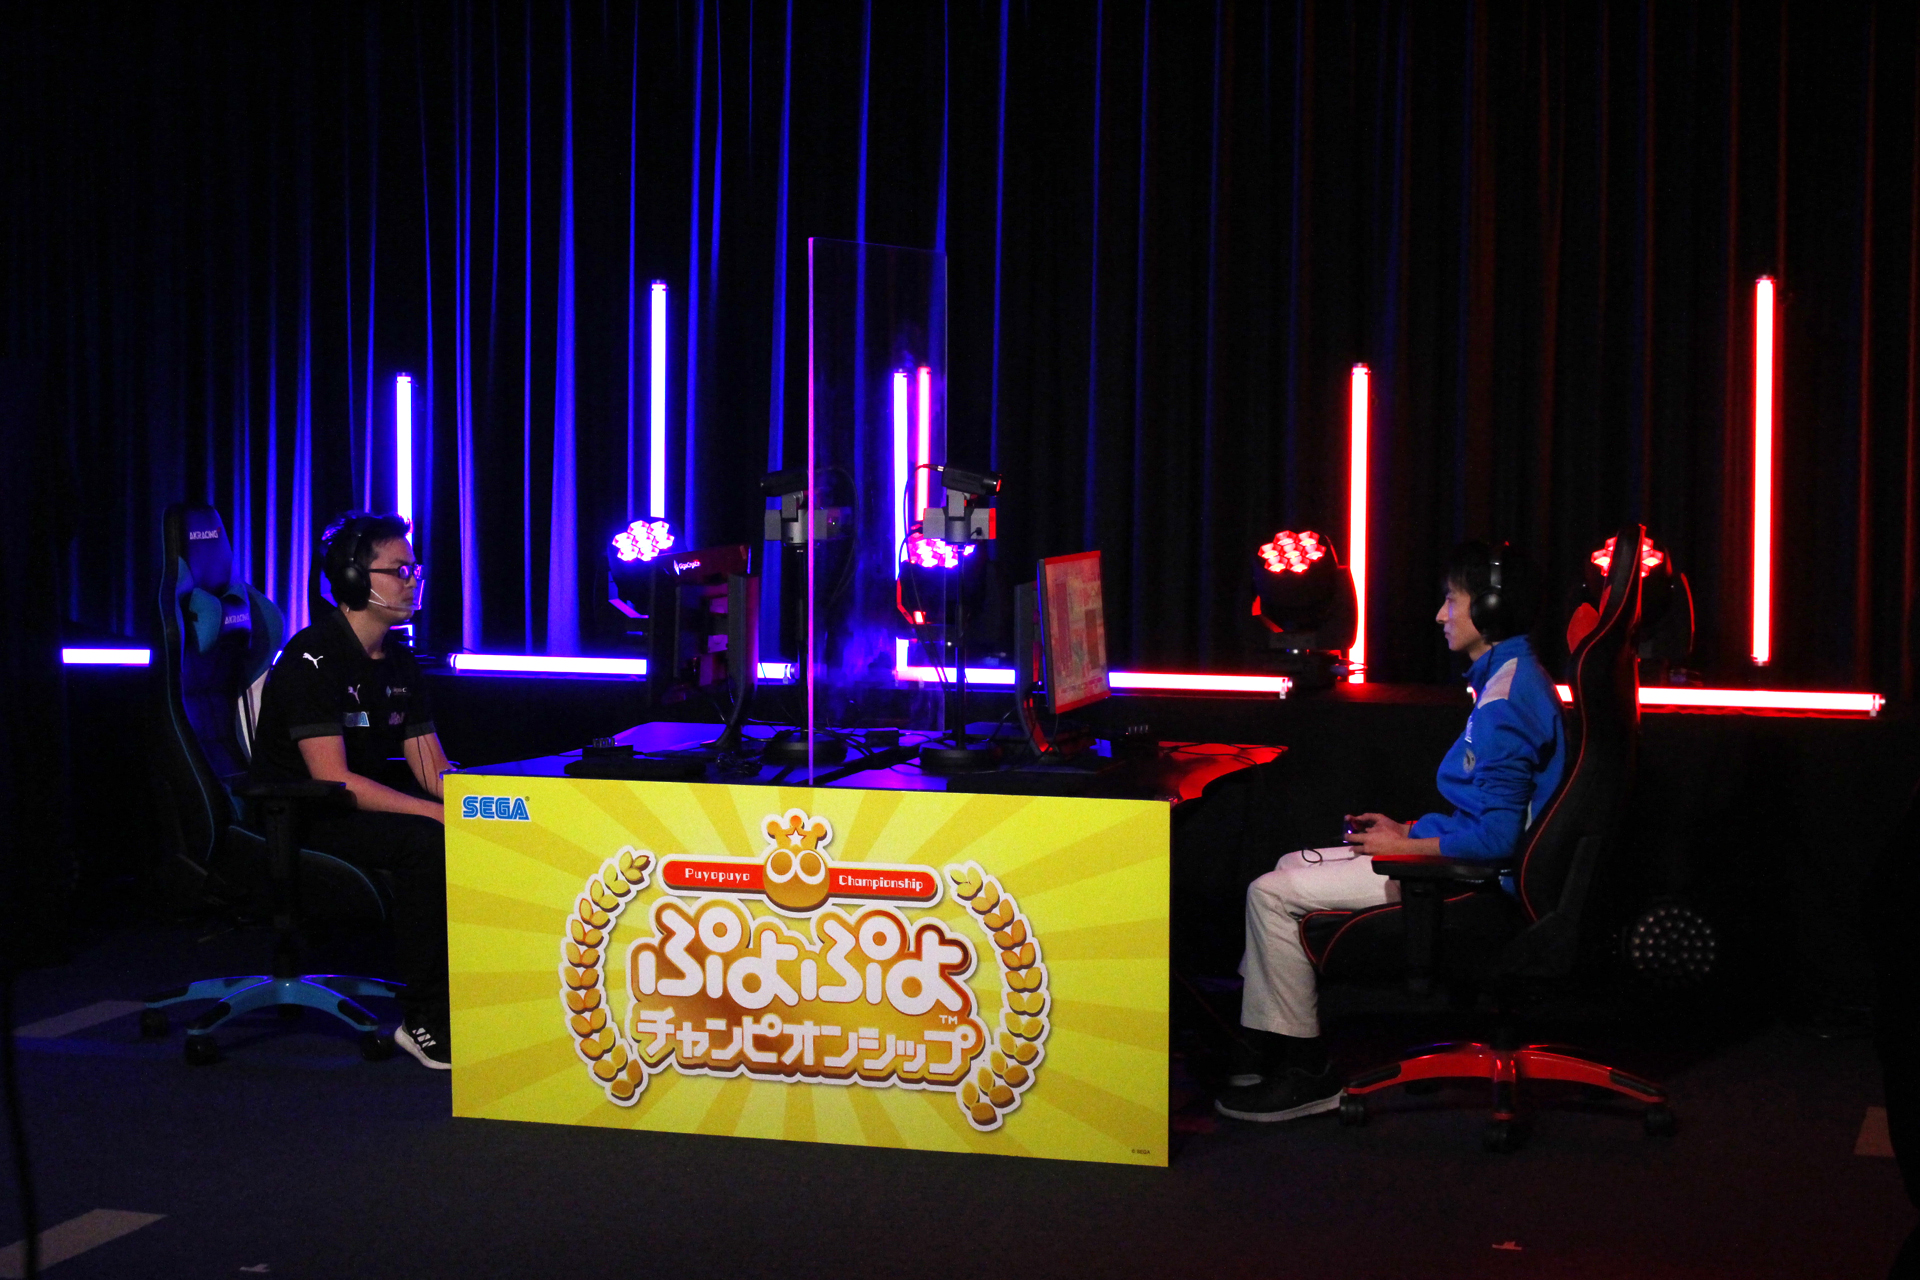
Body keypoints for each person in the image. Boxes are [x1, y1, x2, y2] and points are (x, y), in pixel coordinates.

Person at [1215, 541, 1567, 1122]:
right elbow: (1496, 814)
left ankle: (1306, 1072)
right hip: (1474, 866)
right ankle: (1263, 1042)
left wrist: (1406, 846)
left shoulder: (1505, 703)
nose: (1439, 614)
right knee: (1287, 867)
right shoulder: (1513, 676)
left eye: (1451, 601)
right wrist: (1408, 827)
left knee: (1268, 894)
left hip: (1475, 886)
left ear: (1490, 609)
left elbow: (1500, 840)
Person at [248, 512, 453, 1070]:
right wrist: (435, 816)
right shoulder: (312, 658)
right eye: (399, 570)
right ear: (354, 580)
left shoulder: (400, 661)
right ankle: (425, 1018)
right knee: (426, 841)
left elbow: (433, 771)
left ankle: (478, 999)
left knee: (471, 830)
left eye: (415, 569)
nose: (413, 580)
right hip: (299, 816)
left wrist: (485, 806)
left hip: (353, 809)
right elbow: (332, 779)